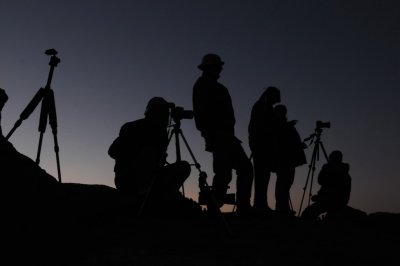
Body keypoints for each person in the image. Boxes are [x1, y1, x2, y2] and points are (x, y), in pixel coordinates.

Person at [108, 97, 200, 216]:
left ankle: (160, 200)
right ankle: (143, 200)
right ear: (152, 112)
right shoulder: (133, 127)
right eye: (163, 111)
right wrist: (139, 153)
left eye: (167, 112)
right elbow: (112, 151)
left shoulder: (161, 133)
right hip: (128, 179)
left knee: (184, 167)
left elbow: (158, 164)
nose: (166, 115)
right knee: (148, 152)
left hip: (153, 178)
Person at [192, 53, 253, 214]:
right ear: (209, 68)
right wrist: (210, 135)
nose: (220, 69)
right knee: (224, 173)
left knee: (243, 169)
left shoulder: (218, 87)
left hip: (227, 136)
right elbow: (201, 115)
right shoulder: (202, 86)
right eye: (217, 66)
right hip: (218, 136)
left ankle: (242, 207)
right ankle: (214, 208)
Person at [248, 86, 281, 213]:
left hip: (262, 144)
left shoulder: (264, 107)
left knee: (264, 175)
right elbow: (262, 127)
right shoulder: (261, 107)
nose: (275, 103)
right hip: (260, 144)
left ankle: (261, 203)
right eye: (274, 100)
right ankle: (259, 204)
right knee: (262, 175)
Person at [271, 104, 307, 217]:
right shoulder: (277, 125)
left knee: (286, 183)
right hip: (284, 158)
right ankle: (281, 208)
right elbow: (281, 142)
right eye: (281, 111)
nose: (283, 114)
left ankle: (283, 207)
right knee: (283, 183)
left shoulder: (284, 125)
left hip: (289, 158)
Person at [301, 150, 352, 221]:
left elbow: (322, 181)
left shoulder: (337, 171)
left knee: (307, 213)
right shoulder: (345, 173)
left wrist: (326, 168)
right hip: (335, 201)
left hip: (333, 202)